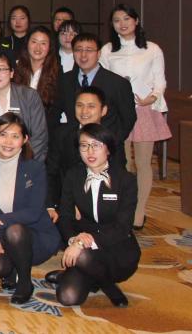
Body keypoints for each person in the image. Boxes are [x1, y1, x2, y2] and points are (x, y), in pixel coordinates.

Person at [98, 4, 170, 229]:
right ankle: (123, 208)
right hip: (116, 113)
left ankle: (139, 213)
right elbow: (102, 80)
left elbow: (160, 80)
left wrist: (152, 97)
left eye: (127, 18)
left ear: (136, 21)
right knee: (121, 162)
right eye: (117, 20)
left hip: (143, 110)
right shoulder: (107, 50)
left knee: (143, 163)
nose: (122, 24)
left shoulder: (152, 49)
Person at [54, 123, 140, 308]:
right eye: (84, 145)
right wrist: (73, 240)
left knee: (83, 257)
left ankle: (109, 287)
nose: (90, 151)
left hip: (116, 247)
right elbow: (65, 216)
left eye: (96, 145)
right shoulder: (73, 176)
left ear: (108, 149)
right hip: (82, 243)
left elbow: (123, 226)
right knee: (68, 297)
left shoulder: (125, 180)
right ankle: (92, 277)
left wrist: (84, 242)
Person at [0, 113, 58, 304]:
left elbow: (34, 212)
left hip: (35, 235)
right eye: (3, 134)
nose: (8, 142)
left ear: (25, 139)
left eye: (15, 136)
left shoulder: (35, 168)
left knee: (15, 231)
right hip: (3, 235)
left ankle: (24, 281)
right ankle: (13, 267)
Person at [51, 33, 136, 162]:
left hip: (108, 152)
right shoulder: (64, 80)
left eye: (89, 50)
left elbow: (128, 119)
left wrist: (109, 141)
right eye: (78, 50)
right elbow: (54, 113)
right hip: (73, 152)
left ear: (99, 53)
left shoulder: (118, 83)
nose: (83, 55)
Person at [45, 86, 113, 225]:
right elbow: (50, 173)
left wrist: (85, 205)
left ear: (103, 110)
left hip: (100, 206)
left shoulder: (111, 138)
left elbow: (116, 177)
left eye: (91, 106)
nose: (84, 111)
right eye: (79, 105)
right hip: (64, 203)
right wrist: (51, 205)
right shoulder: (61, 134)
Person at [0, 51, 48, 163]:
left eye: (1, 69)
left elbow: (40, 137)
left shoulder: (29, 96)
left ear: (11, 73)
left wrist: (21, 164)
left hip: (27, 162)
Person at [13, 26, 60, 114]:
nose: (38, 48)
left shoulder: (57, 74)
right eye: (34, 42)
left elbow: (56, 111)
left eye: (43, 43)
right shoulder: (15, 70)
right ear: (27, 44)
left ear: (50, 47)